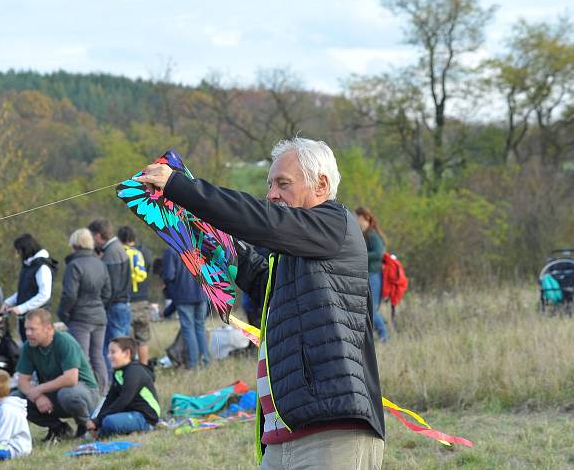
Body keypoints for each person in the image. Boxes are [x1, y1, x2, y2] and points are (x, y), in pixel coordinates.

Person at [134, 137, 385, 469]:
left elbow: (261, 220)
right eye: (270, 185)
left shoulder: (336, 224)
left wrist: (180, 187)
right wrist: (206, 233)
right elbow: (260, 276)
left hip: (331, 433)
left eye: (283, 183)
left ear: (321, 185)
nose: (272, 194)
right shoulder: (293, 252)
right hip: (281, 437)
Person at [15, 308, 99, 441]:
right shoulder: (28, 347)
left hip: (83, 392)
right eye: (26, 329)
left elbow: (71, 379)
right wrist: (38, 397)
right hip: (55, 394)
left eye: (33, 329)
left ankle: (86, 426)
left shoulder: (64, 341)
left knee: (68, 393)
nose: (28, 333)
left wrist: (39, 389)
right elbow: (22, 382)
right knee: (17, 399)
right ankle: (58, 428)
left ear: (48, 328)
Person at [58, 228, 112, 394]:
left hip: (80, 318)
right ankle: (103, 391)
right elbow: (107, 292)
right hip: (99, 316)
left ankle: (89, 392)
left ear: (75, 244)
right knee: (98, 356)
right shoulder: (101, 264)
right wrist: (97, 305)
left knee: (83, 357)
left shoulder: (74, 265)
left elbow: (69, 295)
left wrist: (64, 314)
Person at [87, 336, 160, 438]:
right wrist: (97, 419)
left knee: (108, 421)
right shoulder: (119, 371)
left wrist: (98, 421)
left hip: (144, 417)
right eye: (109, 352)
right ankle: (102, 431)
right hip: (128, 410)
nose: (108, 356)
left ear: (127, 353)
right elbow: (110, 398)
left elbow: (123, 400)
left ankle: (100, 435)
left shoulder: (134, 372)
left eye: (113, 352)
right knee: (92, 414)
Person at [88, 219, 132, 371]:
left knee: (115, 350)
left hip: (114, 308)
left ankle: (114, 382)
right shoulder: (118, 248)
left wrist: (100, 305)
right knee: (124, 348)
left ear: (98, 235)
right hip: (122, 306)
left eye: (92, 237)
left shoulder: (111, 253)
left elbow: (110, 288)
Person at [1, 233, 58, 342]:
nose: (18, 254)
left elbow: (44, 294)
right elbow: (25, 290)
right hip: (26, 317)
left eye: (19, 251)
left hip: (38, 318)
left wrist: (22, 308)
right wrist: (9, 302)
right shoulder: (28, 266)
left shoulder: (42, 267)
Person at [162, 247, 210, 369]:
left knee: (188, 330)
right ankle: (205, 362)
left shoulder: (171, 250)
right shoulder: (197, 246)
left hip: (184, 296)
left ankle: (193, 364)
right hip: (203, 293)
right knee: (200, 327)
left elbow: (168, 275)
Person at [118, 225, 153, 365]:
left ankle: (130, 369)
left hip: (126, 300)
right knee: (142, 339)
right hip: (142, 300)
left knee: (127, 341)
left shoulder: (119, 253)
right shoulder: (144, 252)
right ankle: (144, 368)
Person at [355, 206, 389, 343]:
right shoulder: (363, 234)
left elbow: (379, 252)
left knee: (371, 309)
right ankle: (378, 337)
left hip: (374, 276)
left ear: (365, 218)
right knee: (367, 308)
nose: (356, 220)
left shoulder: (371, 234)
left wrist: (362, 255)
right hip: (368, 275)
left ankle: (384, 337)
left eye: (357, 217)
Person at [0, 369, 32, 461]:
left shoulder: (6, 409)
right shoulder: (0, 407)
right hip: (9, 445)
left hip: (16, 449)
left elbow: (2, 437)